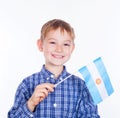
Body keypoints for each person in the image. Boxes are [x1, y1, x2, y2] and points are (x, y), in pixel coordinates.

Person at [8, 19, 100, 118]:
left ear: (72, 48)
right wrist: (30, 104)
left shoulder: (81, 86)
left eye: (65, 44)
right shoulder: (27, 84)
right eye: (53, 42)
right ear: (40, 45)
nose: (59, 49)